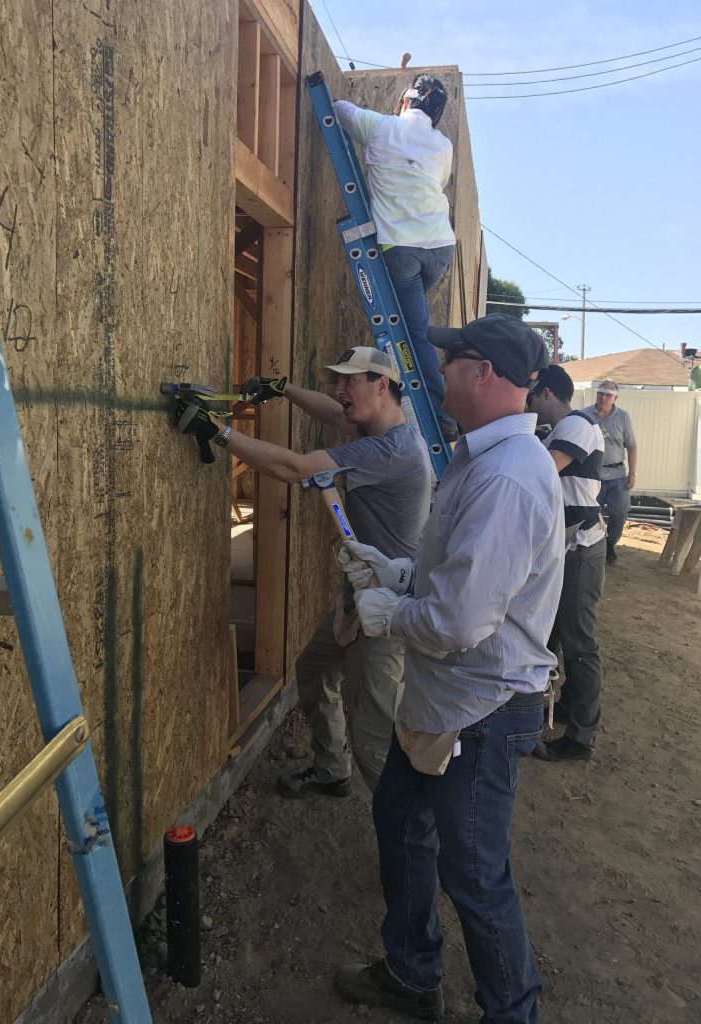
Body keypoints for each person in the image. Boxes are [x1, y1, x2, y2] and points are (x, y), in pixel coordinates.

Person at [333, 314, 564, 1023]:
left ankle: (512, 1013)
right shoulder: (483, 458)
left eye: (451, 360)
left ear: (483, 373)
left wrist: (389, 613)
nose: (437, 372)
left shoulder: (507, 478)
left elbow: (460, 621)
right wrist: (400, 574)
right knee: (401, 821)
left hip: (480, 711)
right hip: (448, 702)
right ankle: (411, 972)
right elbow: (461, 575)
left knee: (475, 877)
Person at [172, 347, 430, 795]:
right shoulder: (389, 427)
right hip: (359, 598)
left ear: (381, 385)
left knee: (374, 741)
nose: (340, 389)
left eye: (350, 381)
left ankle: (408, 828)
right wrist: (284, 388)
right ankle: (332, 770)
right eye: (338, 381)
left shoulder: (390, 451)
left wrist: (217, 432)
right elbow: (333, 413)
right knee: (312, 671)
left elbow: (294, 468)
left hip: (385, 613)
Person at [333, 74, 457, 439]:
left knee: (413, 333)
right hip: (439, 247)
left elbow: (338, 110)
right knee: (412, 323)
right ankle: (411, 401)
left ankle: (439, 414)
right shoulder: (443, 146)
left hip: (400, 250)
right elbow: (434, 181)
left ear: (404, 101)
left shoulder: (380, 126)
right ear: (435, 115)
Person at [526, 365, 606, 763]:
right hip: (567, 547)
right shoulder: (558, 430)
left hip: (580, 547)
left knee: (577, 643)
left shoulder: (578, 424)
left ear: (547, 393)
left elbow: (541, 471)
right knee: (555, 635)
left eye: (531, 396)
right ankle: (559, 710)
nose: (527, 404)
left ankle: (580, 737)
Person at [582, 379, 637, 565]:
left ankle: (610, 543)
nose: (603, 398)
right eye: (600, 394)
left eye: (608, 395)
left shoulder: (623, 417)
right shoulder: (584, 415)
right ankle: (591, 547)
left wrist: (632, 472)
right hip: (592, 474)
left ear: (615, 398)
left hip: (617, 474)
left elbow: (632, 446)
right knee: (590, 512)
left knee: (620, 511)